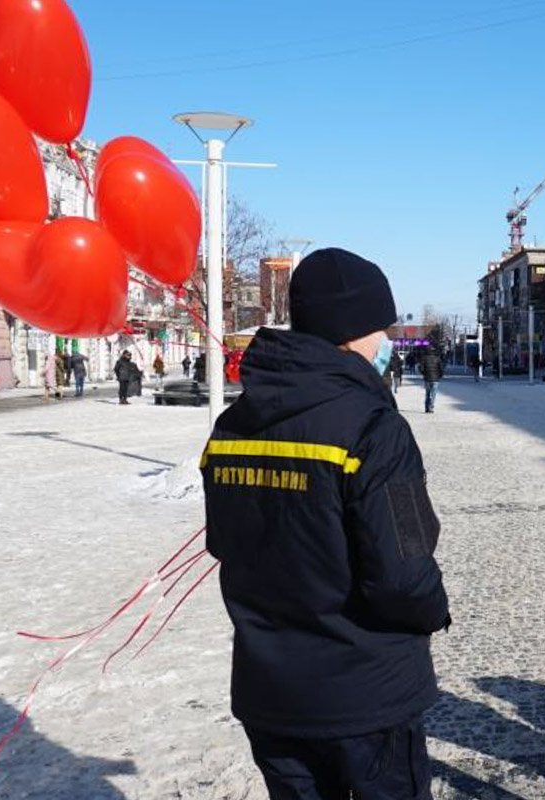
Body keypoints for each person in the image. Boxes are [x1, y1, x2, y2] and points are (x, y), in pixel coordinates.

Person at [202, 247, 450, 800]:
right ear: (354, 331)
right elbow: (405, 574)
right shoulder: (374, 430)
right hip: (366, 696)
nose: (385, 342)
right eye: (380, 329)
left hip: (271, 692)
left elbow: (224, 543)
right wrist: (435, 611)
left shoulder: (232, 425)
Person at [420, 346, 444, 414]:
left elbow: (421, 368)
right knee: (433, 394)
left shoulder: (424, 358)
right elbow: (441, 368)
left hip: (427, 378)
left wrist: (424, 374)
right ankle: (431, 407)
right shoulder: (437, 358)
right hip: (435, 379)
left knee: (427, 393)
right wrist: (440, 376)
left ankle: (426, 407)